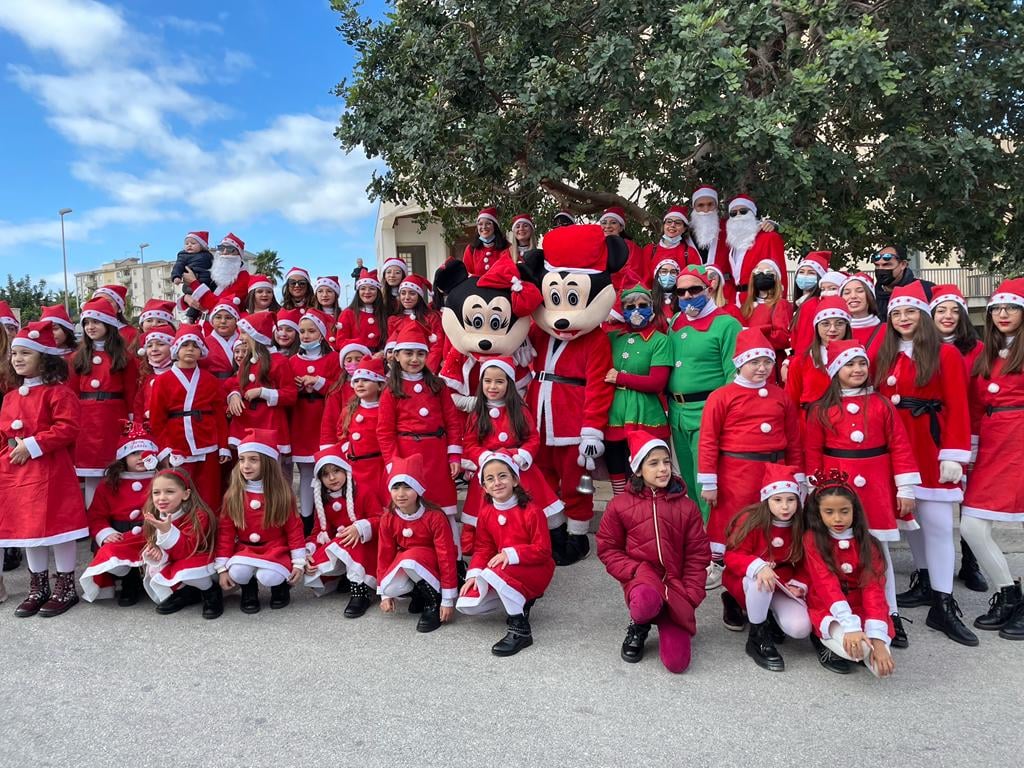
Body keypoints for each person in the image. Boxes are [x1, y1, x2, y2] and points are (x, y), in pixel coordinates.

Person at [875, 281, 976, 646]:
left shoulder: (945, 354)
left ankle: (944, 604)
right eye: (897, 313)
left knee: (936, 525)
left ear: (924, 315)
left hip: (931, 447)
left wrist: (954, 454)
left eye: (911, 312)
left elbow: (958, 407)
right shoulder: (883, 353)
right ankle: (924, 580)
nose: (903, 318)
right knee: (911, 520)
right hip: (896, 449)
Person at [804, 339, 921, 648]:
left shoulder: (882, 404)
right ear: (835, 370)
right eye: (849, 364)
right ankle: (844, 612)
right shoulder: (821, 409)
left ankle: (890, 614)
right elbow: (812, 453)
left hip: (878, 485)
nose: (857, 369)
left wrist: (905, 487)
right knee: (839, 553)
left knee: (879, 553)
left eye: (861, 363)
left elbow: (900, 446)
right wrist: (815, 492)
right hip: (837, 487)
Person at [596, 431, 711, 674]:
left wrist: (692, 592)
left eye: (666, 462)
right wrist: (635, 570)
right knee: (645, 603)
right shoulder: (619, 506)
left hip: (677, 586)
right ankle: (639, 625)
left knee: (677, 663)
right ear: (638, 469)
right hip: (643, 580)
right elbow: (608, 548)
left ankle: (668, 617)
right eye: (654, 463)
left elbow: (697, 555)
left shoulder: (687, 507)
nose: (663, 469)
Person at [698, 329, 803, 588]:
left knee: (769, 517)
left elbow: (794, 440)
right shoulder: (721, 396)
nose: (762, 368)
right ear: (740, 363)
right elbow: (709, 440)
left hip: (774, 471)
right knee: (730, 519)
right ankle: (721, 564)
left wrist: (797, 475)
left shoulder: (781, 397)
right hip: (736, 472)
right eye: (754, 362)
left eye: (767, 362)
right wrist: (709, 482)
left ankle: (765, 562)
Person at [0, 321, 87, 616]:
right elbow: (3, 435)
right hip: (17, 472)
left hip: (51, 469)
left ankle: (65, 586)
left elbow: (68, 428)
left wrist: (33, 445)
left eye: (26, 353)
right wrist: (7, 455)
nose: (18, 359)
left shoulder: (58, 393)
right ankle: (38, 586)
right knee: (27, 529)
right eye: (15, 354)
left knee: (58, 528)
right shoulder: (11, 397)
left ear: (45, 358)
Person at [961, 278, 1024, 640]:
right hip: (991, 443)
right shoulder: (985, 352)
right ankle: (1009, 593)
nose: (1003, 314)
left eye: (1011, 307)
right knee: (972, 525)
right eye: (998, 308)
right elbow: (973, 403)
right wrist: (968, 447)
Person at [457, 452, 555, 656]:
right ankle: (520, 602)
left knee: (492, 572)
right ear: (483, 486)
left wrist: (510, 554)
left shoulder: (532, 511)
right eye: (490, 479)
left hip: (536, 568)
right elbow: (483, 548)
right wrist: (474, 574)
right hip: (504, 570)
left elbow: (543, 550)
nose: (497, 483)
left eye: (503, 476)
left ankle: (520, 629)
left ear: (515, 479)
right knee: (467, 603)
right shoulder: (486, 513)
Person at [462, 357, 564, 553]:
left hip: (517, 468)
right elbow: (470, 443)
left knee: (527, 504)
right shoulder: (477, 413)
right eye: (488, 381)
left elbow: (532, 438)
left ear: (509, 384)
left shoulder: (520, 411)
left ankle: (525, 538)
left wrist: (522, 455)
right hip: (490, 469)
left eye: (499, 381)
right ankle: (488, 541)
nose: (493, 386)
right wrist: (484, 457)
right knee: (484, 507)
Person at [665, 265, 742, 523]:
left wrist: (725, 414)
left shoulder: (727, 324)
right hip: (677, 412)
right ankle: (700, 539)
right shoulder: (676, 321)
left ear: (708, 288)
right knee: (687, 479)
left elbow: (735, 375)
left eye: (693, 289)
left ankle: (715, 543)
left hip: (708, 413)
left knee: (706, 482)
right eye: (681, 291)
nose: (687, 296)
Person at [377, 322, 463, 550]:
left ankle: (453, 559)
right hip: (407, 457)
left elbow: (452, 422)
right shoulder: (390, 389)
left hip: (436, 455)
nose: (414, 359)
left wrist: (454, 455)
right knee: (411, 510)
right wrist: (393, 464)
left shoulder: (438, 385)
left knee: (444, 508)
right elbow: (385, 432)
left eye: (420, 353)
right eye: (408, 353)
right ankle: (413, 553)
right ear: (396, 355)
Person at [802, 471, 895, 678]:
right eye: (829, 512)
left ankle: (858, 644)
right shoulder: (813, 540)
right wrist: (851, 627)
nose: (837, 518)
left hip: (860, 606)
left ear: (855, 511)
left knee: (881, 669)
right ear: (818, 513)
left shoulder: (868, 543)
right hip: (828, 607)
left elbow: (874, 589)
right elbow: (827, 586)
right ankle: (821, 641)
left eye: (844, 511)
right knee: (860, 649)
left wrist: (878, 639)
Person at [723, 464, 812, 671]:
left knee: (800, 629)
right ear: (766, 499)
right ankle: (757, 637)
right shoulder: (752, 520)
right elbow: (732, 555)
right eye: (778, 500)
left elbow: (807, 565)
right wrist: (757, 566)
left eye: (791, 500)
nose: (785, 507)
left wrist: (800, 584)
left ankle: (768, 614)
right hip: (747, 581)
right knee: (760, 582)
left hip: (782, 583)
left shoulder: (802, 525)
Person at [929, 283, 987, 593]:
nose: (948, 316)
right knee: (934, 501)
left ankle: (970, 562)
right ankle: (930, 569)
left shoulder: (976, 349)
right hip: (933, 430)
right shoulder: (922, 346)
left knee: (969, 500)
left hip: (970, 430)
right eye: (941, 310)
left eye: (954, 310)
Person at [214, 429, 305, 613]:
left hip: (274, 549)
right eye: (242, 459)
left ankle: (280, 588)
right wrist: (221, 568)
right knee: (238, 571)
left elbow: (294, 529)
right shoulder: (233, 494)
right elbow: (226, 532)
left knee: (269, 576)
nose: (246, 465)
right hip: (245, 548)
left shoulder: (282, 494)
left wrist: (298, 563)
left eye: (253, 459)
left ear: (268, 462)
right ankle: (249, 590)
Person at [148, 325, 230, 510]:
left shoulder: (210, 379)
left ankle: (210, 534)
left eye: (195, 345)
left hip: (208, 443)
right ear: (176, 349)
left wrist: (223, 446)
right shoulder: (163, 380)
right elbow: (156, 419)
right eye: (185, 345)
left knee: (210, 493)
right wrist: (165, 448)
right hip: (177, 445)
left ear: (201, 351)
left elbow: (219, 416)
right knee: (179, 493)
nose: (190, 349)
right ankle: (181, 535)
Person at [376, 455, 459, 633]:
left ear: (419, 490)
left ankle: (433, 601)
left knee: (410, 559)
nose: (401, 494)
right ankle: (419, 594)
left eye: (408, 487)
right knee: (391, 583)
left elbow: (446, 557)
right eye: (396, 487)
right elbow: (385, 554)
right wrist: (384, 594)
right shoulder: (388, 518)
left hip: (433, 563)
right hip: (409, 563)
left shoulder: (435, 517)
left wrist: (447, 599)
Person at [603, 277, 671, 495]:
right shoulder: (612, 337)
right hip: (614, 411)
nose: (636, 310)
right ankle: (620, 504)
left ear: (651, 307)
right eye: (630, 306)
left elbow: (657, 382)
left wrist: (620, 377)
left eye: (642, 305)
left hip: (646, 411)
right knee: (615, 461)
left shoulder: (660, 340)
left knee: (643, 463)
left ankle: (642, 507)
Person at [79, 424, 158, 605]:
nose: (140, 458)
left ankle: (147, 580)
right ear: (123, 456)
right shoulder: (109, 484)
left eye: (145, 453)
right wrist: (105, 533)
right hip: (121, 535)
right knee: (112, 554)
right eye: (134, 453)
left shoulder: (161, 479)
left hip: (151, 533)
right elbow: (96, 515)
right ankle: (130, 581)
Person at [70, 299, 138, 507]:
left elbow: (132, 392)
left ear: (108, 324)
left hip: (113, 419)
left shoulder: (124, 357)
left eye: (96, 322)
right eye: (87, 323)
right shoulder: (77, 357)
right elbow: (72, 393)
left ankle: (115, 515)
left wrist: (131, 422)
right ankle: (94, 520)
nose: (91, 327)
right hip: (86, 420)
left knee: (114, 469)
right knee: (91, 472)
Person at [303, 445, 380, 618]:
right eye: (325, 474)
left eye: (336, 471)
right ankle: (345, 576)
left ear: (345, 470)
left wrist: (360, 527)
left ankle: (360, 592)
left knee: (348, 541)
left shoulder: (363, 491)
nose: (332, 478)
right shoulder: (323, 500)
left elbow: (380, 519)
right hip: (341, 544)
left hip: (366, 547)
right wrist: (307, 553)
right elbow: (318, 531)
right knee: (314, 561)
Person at [140, 467, 221, 619]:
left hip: (201, 560)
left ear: (185, 494)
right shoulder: (154, 514)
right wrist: (156, 551)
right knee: (154, 570)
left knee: (186, 570)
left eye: (169, 492)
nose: (161, 498)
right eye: (156, 492)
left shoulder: (199, 516)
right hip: (174, 559)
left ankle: (211, 591)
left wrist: (167, 532)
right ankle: (188, 593)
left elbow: (188, 549)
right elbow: (151, 540)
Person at [288, 309, 341, 529]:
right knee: (307, 473)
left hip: (325, 420)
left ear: (321, 333)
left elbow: (339, 389)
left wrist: (318, 382)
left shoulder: (333, 359)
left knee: (330, 471)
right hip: (301, 422)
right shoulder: (292, 361)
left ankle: (332, 518)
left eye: (311, 331)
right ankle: (307, 520)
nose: (306, 335)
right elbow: (286, 391)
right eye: (302, 331)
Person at [320, 356, 389, 512]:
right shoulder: (349, 410)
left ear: (379, 385)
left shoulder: (385, 410)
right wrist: (346, 448)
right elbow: (341, 433)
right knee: (357, 503)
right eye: (356, 381)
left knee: (378, 505)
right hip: (354, 468)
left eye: (365, 380)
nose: (360, 384)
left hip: (377, 468)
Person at [227, 313, 296, 457]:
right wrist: (234, 395)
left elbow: (290, 394)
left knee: (269, 468)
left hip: (269, 423)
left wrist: (262, 392)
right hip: (245, 421)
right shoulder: (247, 361)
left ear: (256, 335)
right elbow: (237, 384)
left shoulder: (279, 361)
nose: (240, 337)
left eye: (244, 333)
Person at [784, 296, 852, 432]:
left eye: (839, 323)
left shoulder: (856, 360)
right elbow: (790, 402)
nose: (832, 329)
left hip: (844, 428)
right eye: (825, 323)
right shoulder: (801, 361)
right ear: (816, 326)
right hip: (809, 428)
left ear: (847, 326)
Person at [724, 195, 787, 305]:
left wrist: (780, 306)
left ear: (753, 213)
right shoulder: (732, 243)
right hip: (736, 302)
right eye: (733, 213)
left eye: (743, 211)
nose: (738, 215)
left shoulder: (769, 237)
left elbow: (780, 275)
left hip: (760, 302)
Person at [739, 259, 792, 380]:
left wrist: (753, 332)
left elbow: (783, 337)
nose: (762, 275)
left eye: (768, 273)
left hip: (770, 364)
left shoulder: (780, 304)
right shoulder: (746, 306)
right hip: (748, 364)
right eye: (758, 272)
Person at [180, 233, 250, 316]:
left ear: (239, 255)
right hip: (200, 324)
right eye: (221, 248)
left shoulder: (244, 278)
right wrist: (185, 298)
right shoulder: (215, 271)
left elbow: (221, 307)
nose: (224, 252)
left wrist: (194, 283)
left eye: (230, 249)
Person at [386, 273, 444, 372]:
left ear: (420, 296)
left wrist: (427, 370)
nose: (407, 297)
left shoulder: (431, 317)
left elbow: (438, 345)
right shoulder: (393, 320)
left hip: (427, 370)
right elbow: (393, 348)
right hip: (402, 371)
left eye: (412, 293)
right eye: (403, 293)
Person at [640, 206, 700, 289]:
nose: (672, 225)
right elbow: (643, 280)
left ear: (684, 229)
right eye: (669, 222)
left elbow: (696, 280)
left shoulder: (689, 252)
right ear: (664, 225)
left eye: (678, 223)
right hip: (653, 298)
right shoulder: (649, 250)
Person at [789, 251, 831, 359]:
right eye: (801, 272)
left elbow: (804, 343)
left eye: (811, 273)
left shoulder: (812, 306)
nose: (805, 276)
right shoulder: (800, 304)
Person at [872, 245, 934, 318]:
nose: (881, 269)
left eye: (887, 265)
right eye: (877, 265)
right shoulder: (870, 295)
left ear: (903, 265)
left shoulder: (927, 290)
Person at [336, 268, 387, 353]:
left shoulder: (383, 313)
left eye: (372, 288)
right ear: (358, 291)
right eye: (363, 288)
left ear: (378, 292)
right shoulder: (348, 313)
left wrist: (381, 353)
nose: (367, 292)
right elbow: (341, 342)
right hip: (355, 359)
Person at [840, 273, 885, 363]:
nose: (853, 296)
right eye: (847, 292)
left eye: (860, 291)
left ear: (870, 296)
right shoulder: (837, 331)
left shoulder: (886, 331)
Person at [134, 324, 175, 422]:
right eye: (149, 345)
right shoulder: (145, 377)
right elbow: (138, 406)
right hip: (148, 430)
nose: (154, 349)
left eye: (161, 344)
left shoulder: (179, 376)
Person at [171, 231, 214, 323]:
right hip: (191, 284)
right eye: (187, 244)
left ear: (202, 245)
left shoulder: (209, 256)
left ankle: (192, 317)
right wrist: (176, 276)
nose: (189, 245)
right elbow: (178, 266)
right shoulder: (183, 256)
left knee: (203, 300)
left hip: (207, 283)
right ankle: (190, 317)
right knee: (196, 301)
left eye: (193, 243)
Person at [599, 206, 646, 279]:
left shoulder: (631, 247)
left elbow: (634, 272)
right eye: (604, 223)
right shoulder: (595, 245)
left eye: (613, 223)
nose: (607, 226)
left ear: (621, 228)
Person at [462, 207, 512, 276]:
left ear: (495, 226)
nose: (484, 227)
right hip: (476, 286)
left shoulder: (507, 247)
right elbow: (466, 274)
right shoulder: (471, 249)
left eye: (488, 223)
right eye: (480, 224)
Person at [201, 303, 240, 382]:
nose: (223, 321)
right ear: (212, 321)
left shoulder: (244, 341)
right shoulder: (203, 343)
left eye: (228, 318)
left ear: (236, 321)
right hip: (213, 386)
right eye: (218, 317)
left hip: (240, 385)